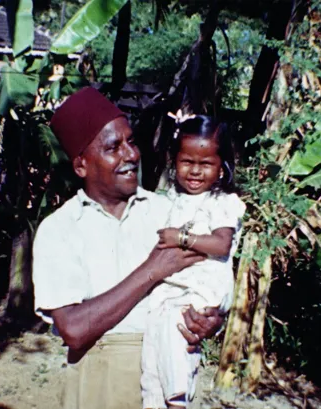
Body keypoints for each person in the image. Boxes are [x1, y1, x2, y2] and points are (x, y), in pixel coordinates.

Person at [31, 87, 224, 409]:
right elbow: (74, 330)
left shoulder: (169, 213)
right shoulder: (60, 229)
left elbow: (204, 282)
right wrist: (152, 270)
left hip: (166, 376)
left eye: (131, 142)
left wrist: (209, 320)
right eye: (113, 147)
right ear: (81, 165)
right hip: (97, 379)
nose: (131, 155)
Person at [140, 113, 245, 409]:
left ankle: (177, 403)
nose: (195, 171)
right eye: (187, 162)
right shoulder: (170, 199)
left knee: (176, 337)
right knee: (152, 356)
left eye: (206, 164)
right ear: (174, 161)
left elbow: (222, 244)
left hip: (200, 290)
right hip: (170, 290)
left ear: (221, 168)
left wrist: (181, 239)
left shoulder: (222, 202)